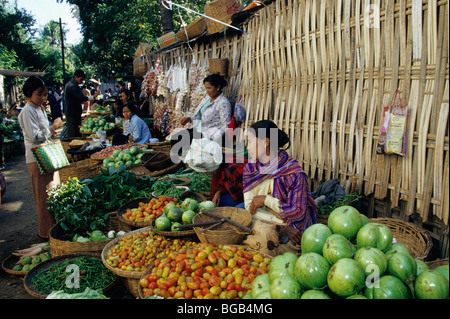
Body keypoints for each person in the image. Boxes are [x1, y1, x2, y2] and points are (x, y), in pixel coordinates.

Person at [239, 120, 317, 256]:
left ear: (266, 142)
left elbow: (298, 212)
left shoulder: (293, 173)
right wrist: (281, 226)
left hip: (293, 226)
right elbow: (249, 208)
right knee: (262, 233)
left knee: (271, 242)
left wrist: (266, 200)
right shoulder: (250, 170)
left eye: (250, 142)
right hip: (269, 221)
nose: (247, 148)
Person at [18, 76, 63, 239]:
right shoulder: (27, 111)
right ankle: (45, 233)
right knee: (43, 197)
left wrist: (51, 129)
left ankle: (54, 229)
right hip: (36, 159)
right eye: (39, 94)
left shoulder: (39, 108)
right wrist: (53, 127)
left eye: (45, 94)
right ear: (29, 94)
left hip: (46, 155)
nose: (43, 98)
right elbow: (35, 136)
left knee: (52, 193)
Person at [175, 74, 232, 147]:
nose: (207, 91)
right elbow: (200, 115)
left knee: (182, 143)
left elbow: (226, 125)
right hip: (199, 129)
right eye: (206, 88)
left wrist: (213, 138)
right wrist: (190, 118)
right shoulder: (207, 98)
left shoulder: (223, 103)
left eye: (209, 88)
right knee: (176, 139)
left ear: (218, 87)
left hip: (209, 134)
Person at [63, 69, 99, 138]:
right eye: (81, 79)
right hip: (73, 112)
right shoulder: (73, 86)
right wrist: (93, 97)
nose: (82, 81)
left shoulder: (69, 84)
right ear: (75, 77)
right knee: (74, 131)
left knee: (72, 130)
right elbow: (81, 98)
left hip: (70, 111)